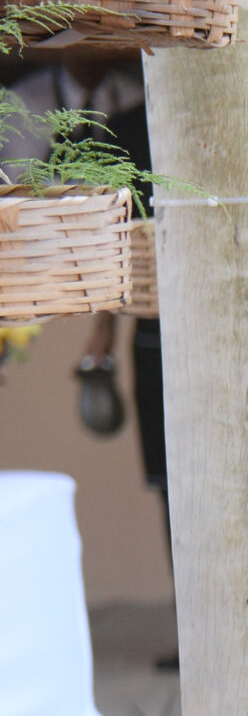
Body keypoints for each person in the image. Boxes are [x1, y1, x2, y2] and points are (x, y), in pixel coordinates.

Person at [4, 53, 172, 665]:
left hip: (148, 290)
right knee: (168, 481)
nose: (97, 52)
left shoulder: (137, 99)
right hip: (75, 294)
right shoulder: (24, 103)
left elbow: (135, 219)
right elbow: (19, 198)